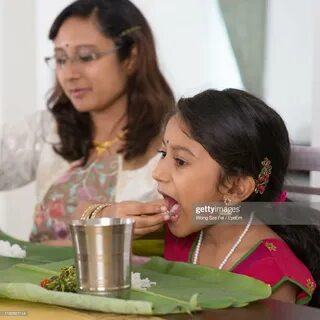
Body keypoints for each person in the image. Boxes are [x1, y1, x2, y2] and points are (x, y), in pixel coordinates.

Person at [99, 89, 320, 306]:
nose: (157, 172)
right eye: (163, 154)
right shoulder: (177, 228)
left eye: (180, 161)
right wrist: (106, 215)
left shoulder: (272, 277)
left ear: (235, 188)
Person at [0, 0, 174, 254]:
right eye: (60, 59)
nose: (69, 73)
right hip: (37, 286)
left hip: (125, 288)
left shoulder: (175, 140)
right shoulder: (49, 130)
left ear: (131, 56)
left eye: (85, 57)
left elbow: (231, 213)